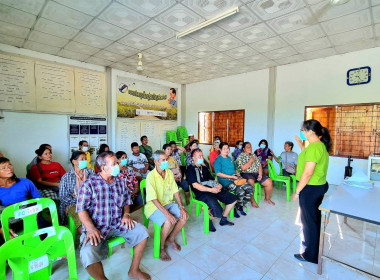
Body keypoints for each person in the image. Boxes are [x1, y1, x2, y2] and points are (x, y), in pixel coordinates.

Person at [77, 151, 150, 280]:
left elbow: (127, 201)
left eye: (117, 162)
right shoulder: (89, 184)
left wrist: (126, 214)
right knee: (87, 253)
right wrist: (90, 228)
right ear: (104, 167)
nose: (118, 165)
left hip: (117, 222)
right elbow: (81, 209)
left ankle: (134, 270)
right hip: (97, 226)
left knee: (142, 232)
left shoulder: (120, 182)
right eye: (114, 163)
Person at [292, 120, 331, 264]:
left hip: (310, 188)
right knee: (311, 219)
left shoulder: (314, 148)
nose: (302, 132)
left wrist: (297, 191)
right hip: (318, 186)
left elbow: (308, 173)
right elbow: (307, 156)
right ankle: (311, 244)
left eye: (303, 130)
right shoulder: (318, 147)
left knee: (309, 221)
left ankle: (311, 255)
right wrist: (300, 145)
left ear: (310, 131)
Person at [145, 150, 188, 261]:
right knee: (167, 221)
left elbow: (175, 191)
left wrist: (182, 207)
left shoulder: (168, 172)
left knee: (184, 216)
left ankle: (171, 238)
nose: (166, 162)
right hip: (153, 207)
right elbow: (153, 199)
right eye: (163, 160)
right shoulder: (150, 176)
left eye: (166, 159)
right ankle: (161, 247)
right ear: (156, 162)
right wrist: (167, 214)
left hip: (168, 203)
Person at [186, 149, 237, 232]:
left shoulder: (204, 168)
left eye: (202, 156)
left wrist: (218, 185)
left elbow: (212, 180)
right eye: (199, 156)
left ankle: (223, 219)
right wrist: (211, 190)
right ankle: (209, 218)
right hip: (201, 193)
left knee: (233, 198)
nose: (202, 157)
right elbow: (195, 185)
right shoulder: (190, 169)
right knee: (218, 210)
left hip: (212, 189)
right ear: (193, 158)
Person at [0, 157, 42, 245]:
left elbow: (39, 200)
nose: (9, 169)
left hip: (29, 216)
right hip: (7, 221)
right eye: (3, 168)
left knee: (47, 231)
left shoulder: (25, 182)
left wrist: (36, 214)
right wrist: (2, 228)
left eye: (10, 165)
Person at [214, 142, 254, 217]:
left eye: (228, 148)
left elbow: (235, 169)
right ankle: (235, 208)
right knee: (240, 191)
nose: (226, 150)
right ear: (220, 149)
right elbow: (218, 173)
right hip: (225, 182)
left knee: (250, 188)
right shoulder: (218, 160)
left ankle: (241, 205)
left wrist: (237, 174)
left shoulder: (230, 158)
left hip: (235, 179)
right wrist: (231, 177)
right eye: (224, 149)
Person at [59, 151, 95, 230]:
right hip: (73, 204)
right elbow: (63, 197)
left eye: (85, 159)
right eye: (82, 159)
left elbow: (97, 189)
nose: (85, 161)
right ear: (74, 161)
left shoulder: (91, 173)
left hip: (91, 202)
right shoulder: (66, 177)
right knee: (78, 216)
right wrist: (79, 201)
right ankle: (85, 236)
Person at [236, 142, 274, 206]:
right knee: (251, 182)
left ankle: (267, 199)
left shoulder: (253, 155)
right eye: (247, 147)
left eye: (250, 146)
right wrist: (250, 160)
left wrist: (260, 174)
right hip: (246, 173)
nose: (249, 148)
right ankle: (252, 201)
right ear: (244, 149)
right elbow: (243, 168)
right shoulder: (240, 157)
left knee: (269, 182)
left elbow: (259, 165)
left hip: (256, 173)